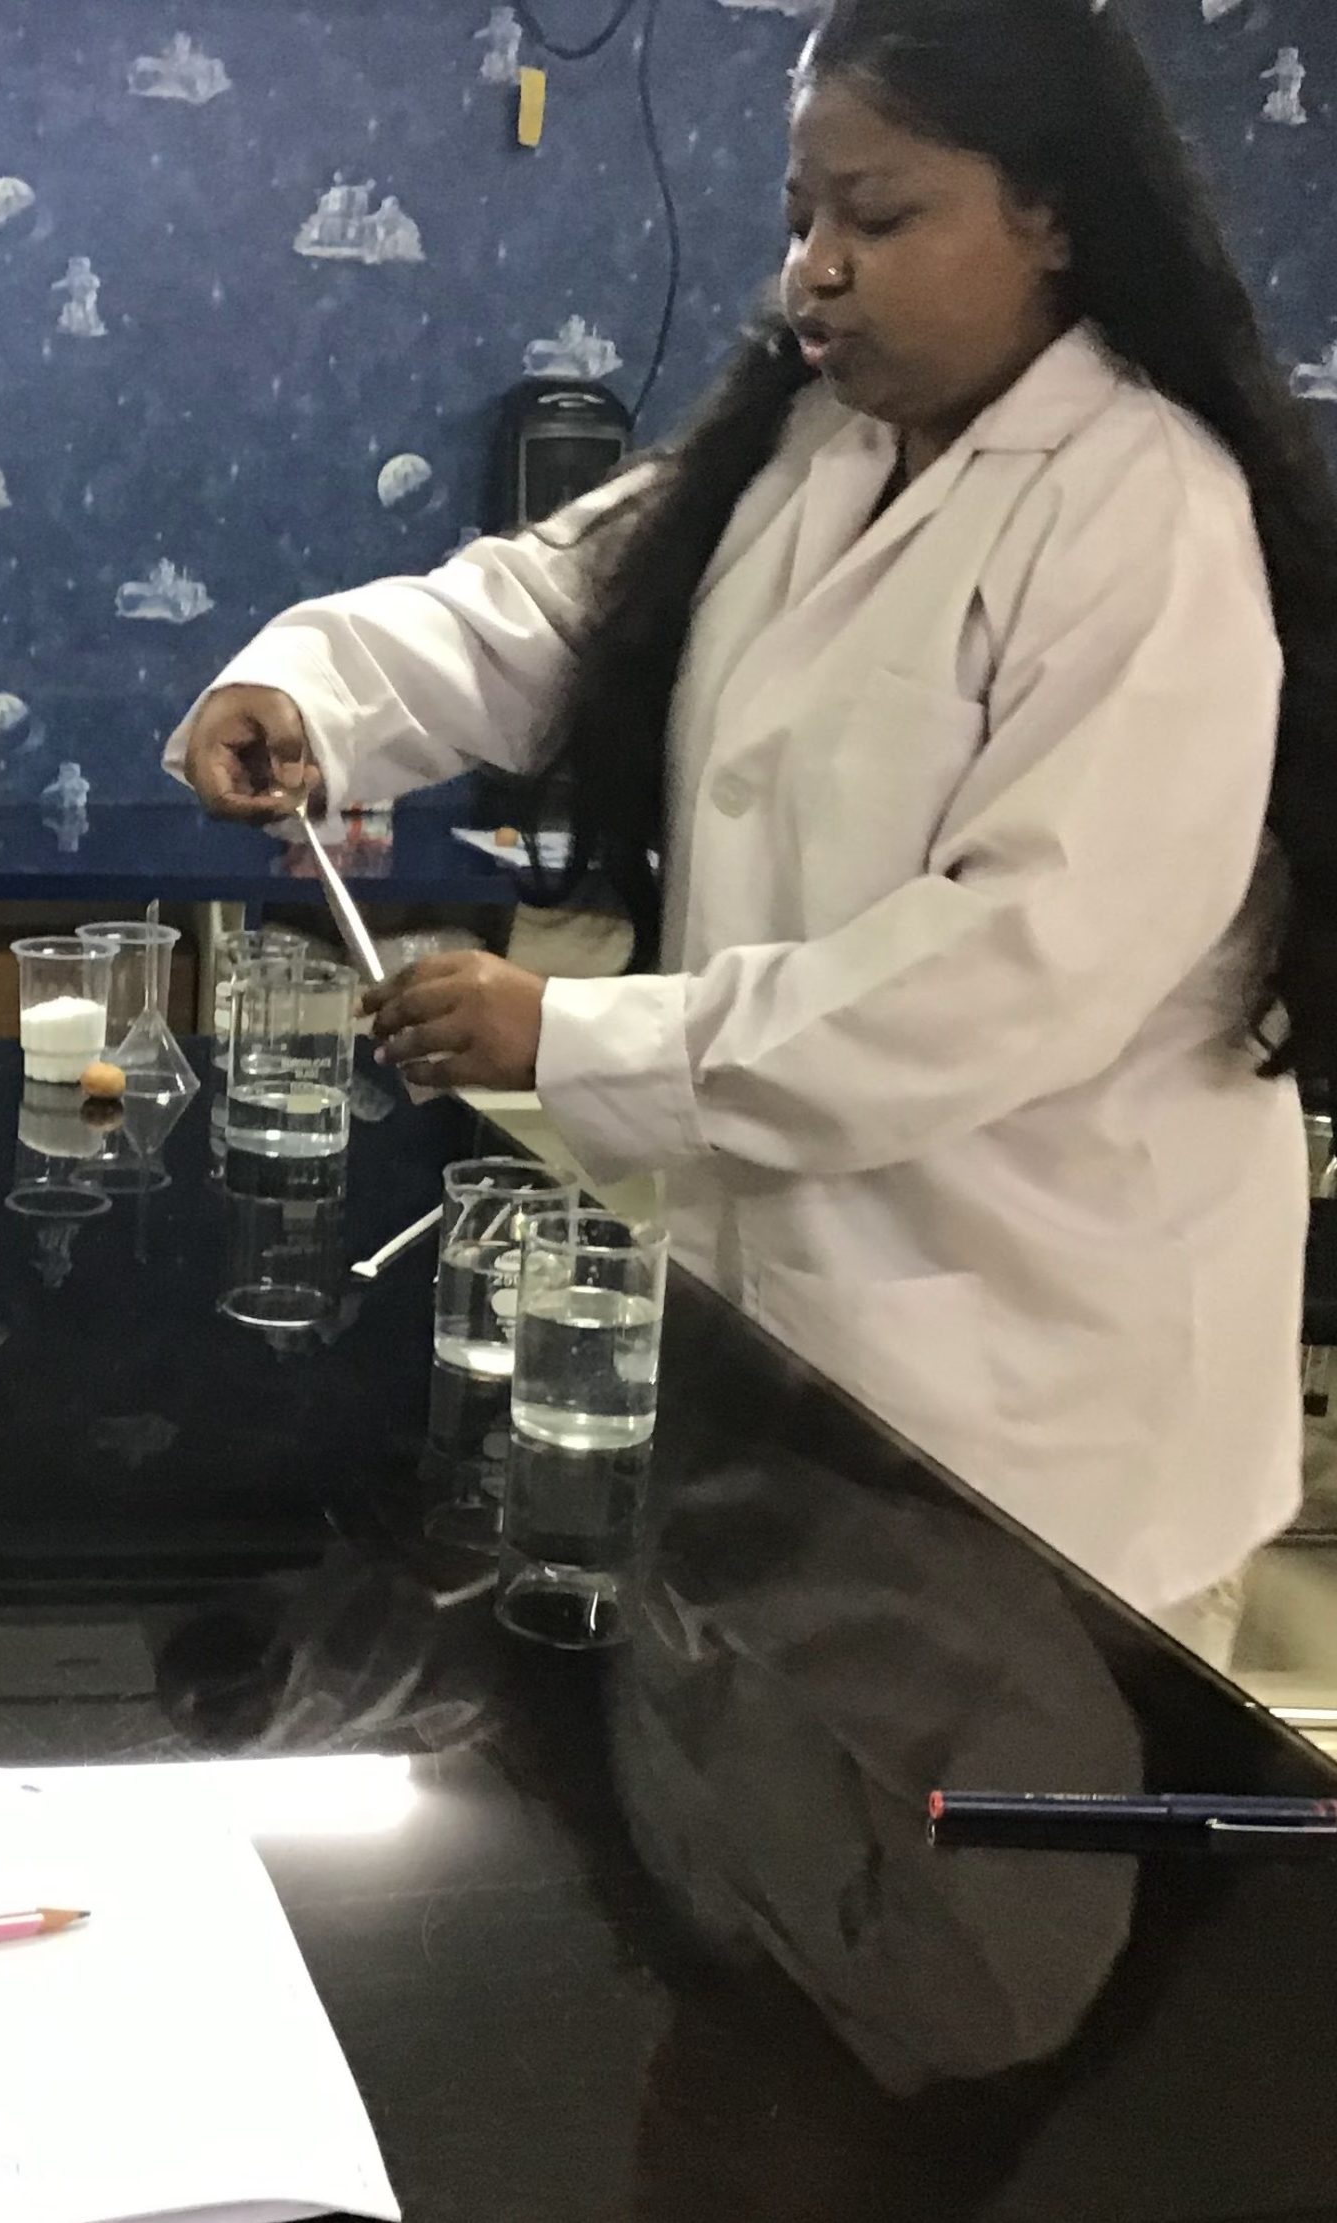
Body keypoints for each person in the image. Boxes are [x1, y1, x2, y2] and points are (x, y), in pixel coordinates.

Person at [172, 0, 1337, 1642]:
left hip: (1045, 1418)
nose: (815, 271)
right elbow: (548, 609)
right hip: (796, 1360)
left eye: (880, 216)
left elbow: (1007, 970)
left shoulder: (1146, 512)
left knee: (991, 1808)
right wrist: (312, 691)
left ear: (1055, 217)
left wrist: (570, 1036)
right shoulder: (809, 446)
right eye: (800, 217)